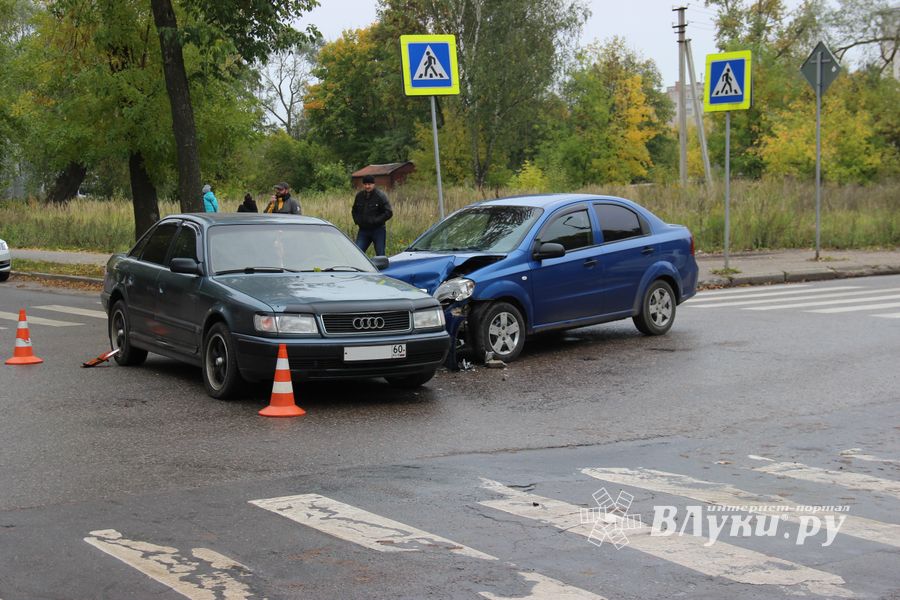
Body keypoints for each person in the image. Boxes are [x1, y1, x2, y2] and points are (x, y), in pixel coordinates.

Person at [352, 174, 393, 256]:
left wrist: (375, 221)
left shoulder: (380, 196)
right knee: (357, 254)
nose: (367, 186)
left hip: (378, 230)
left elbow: (388, 212)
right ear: (363, 184)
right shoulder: (359, 196)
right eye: (365, 184)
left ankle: (381, 269)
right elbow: (354, 210)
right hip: (363, 230)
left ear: (373, 184)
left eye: (369, 184)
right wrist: (358, 221)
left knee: (380, 255)